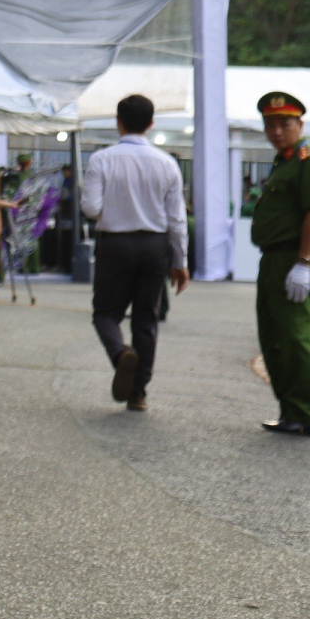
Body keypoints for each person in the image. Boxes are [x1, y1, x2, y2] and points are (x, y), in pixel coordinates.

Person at [79, 94, 189, 413]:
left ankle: (119, 353)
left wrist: (111, 213)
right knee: (146, 319)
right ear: (152, 124)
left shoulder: (102, 159)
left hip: (114, 244)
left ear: (118, 121)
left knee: (106, 313)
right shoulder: (167, 163)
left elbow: (90, 208)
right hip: (154, 246)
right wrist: (180, 261)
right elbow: (177, 219)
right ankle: (138, 392)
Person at [249, 92, 310, 434]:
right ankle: (291, 411)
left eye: (284, 124)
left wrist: (304, 261)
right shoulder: (284, 161)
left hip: (292, 256)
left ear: (300, 124)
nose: (276, 131)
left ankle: (305, 412)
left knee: (295, 337)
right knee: (273, 336)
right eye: (270, 124)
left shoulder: (305, 158)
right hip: (273, 258)